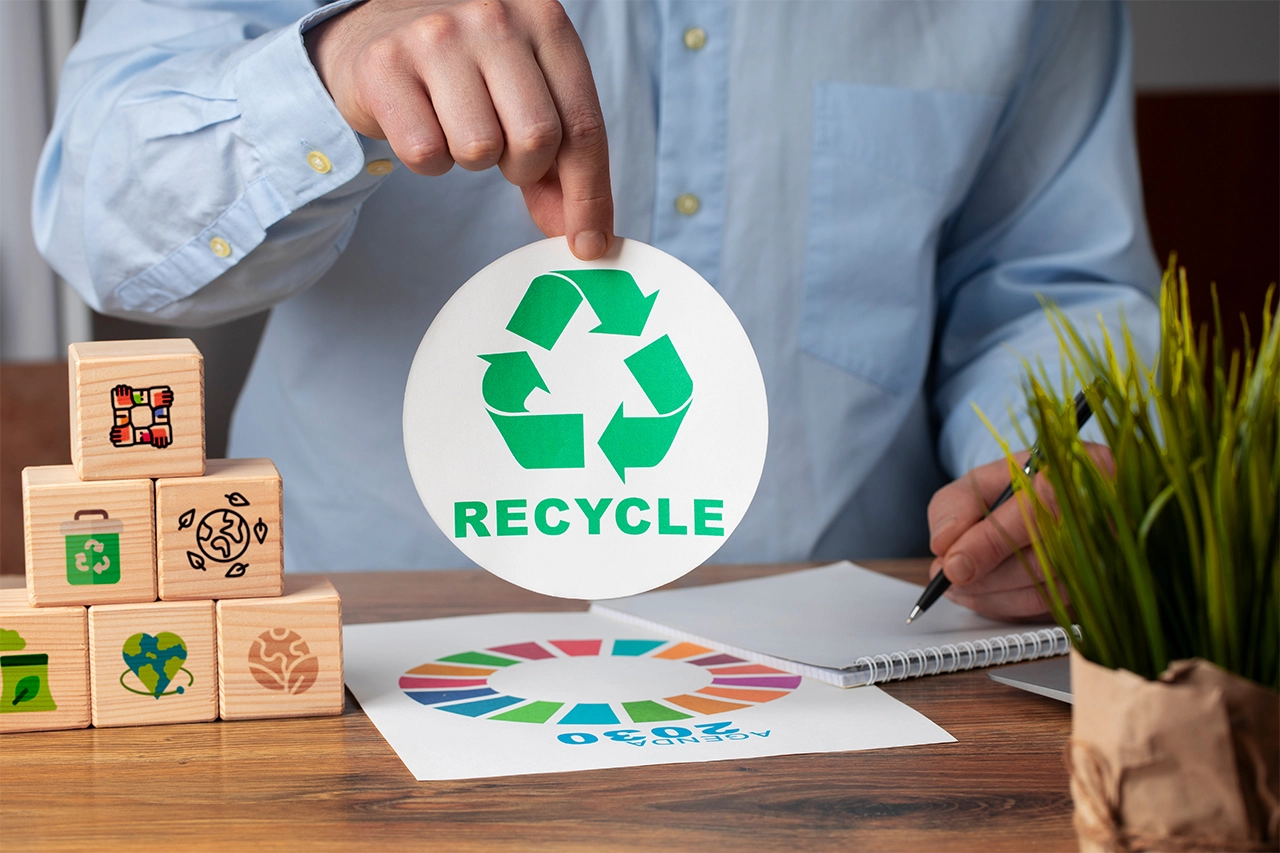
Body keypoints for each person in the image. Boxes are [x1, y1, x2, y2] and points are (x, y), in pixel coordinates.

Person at [34, 0, 1160, 620]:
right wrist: (330, 71)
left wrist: (1063, 461)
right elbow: (101, 228)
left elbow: (1038, 277)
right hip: (368, 661)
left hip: (844, 671)